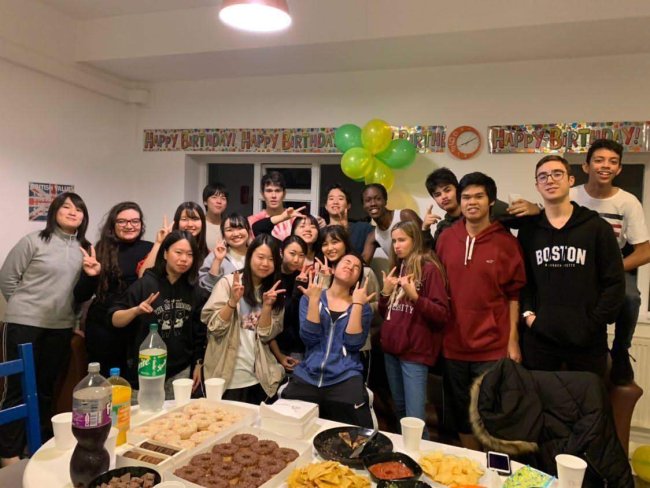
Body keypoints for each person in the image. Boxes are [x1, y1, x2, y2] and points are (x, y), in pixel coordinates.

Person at [436, 172, 526, 450]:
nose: (471, 202)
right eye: (466, 197)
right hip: (452, 344)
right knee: (460, 414)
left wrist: (513, 341)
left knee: (489, 413)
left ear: (491, 201)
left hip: (492, 346)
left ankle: (492, 471)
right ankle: (470, 463)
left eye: (478, 196)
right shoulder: (446, 238)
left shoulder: (507, 244)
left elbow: (514, 295)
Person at [0, 192, 91, 465]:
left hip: (60, 328)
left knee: (46, 389)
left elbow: (78, 293)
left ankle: (36, 446)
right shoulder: (34, 241)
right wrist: (26, 309)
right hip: (23, 325)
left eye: (79, 209)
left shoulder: (84, 248)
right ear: (54, 211)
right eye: (66, 207)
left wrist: (72, 321)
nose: (73, 212)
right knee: (15, 390)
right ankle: (8, 454)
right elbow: (8, 279)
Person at [518, 155, 625, 380]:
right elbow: (523, 281)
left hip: (587, 340)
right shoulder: (529, 231)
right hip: (540, 339)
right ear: (537, 185)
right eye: (543, 176)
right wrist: (529, 316)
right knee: (539, 408)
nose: (550, 180)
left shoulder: (597, 228)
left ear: (570, 180)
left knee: (588, 408)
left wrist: (593, 323)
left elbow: (614, 283)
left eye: (557, 174)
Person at [570, 139, 650, 385]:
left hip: (610, 268)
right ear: (586, 166)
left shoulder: (628, 202)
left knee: (630, 298)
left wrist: (611, 270)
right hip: (572, 267)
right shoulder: (570, 195)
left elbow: (645, 251)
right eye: (599, 160)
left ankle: (620, 350)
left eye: (613, 162)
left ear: (619, 170)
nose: (606, 166)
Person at [281, 253, 376, 428]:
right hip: (309, 374)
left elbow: (354, 343)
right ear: (333, 269)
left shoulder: (362, 307)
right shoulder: (311, 296)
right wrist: (314, 300)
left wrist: (357, 305)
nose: (351, 266)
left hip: (345, 376)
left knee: (356, 432)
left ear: (358, 279)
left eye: (357, 267)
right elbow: (309, 338)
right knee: (286, 424)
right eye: (346, 262)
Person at [110, 231, 207, 398]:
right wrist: (135, 311)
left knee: (175, 419)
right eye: (178, 253)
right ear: (165, 253)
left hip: (180, 370)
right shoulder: (145, 284)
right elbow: (115, 320)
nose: (184, 259)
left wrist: (198, 363)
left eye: (190, 255)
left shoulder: (195, 290)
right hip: (147, 368)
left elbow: (199, 332)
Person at [379, 220, 449, 437]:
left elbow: (441, 314)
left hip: (415, 354)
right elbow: (387, 313)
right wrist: (385, 293)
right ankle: (404, 459)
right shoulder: (398, 267)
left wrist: (416, 297)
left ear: (415, 240)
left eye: (402, 240)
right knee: (399, 410)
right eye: (394, 241)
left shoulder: (429, 269)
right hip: (391, 350)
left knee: (415, 419)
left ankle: (421, 461)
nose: (397, 245)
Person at [201, 234, 286, 404]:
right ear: (250, 256)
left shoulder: (274, 291)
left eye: (271, 259)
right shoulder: (229, 282)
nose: (265, 263)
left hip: (260, 376)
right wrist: (232, 301)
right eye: (260, 257)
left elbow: (266, 335)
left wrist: (268, 306)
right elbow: (214, 327)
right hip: (226, 373)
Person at [74, 201, 153, 380]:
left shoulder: (150, 249)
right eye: (122, 221)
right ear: (113, 224)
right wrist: (91, 275)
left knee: (134, 383)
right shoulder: (100, 249)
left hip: (137, 325)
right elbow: (81, 295)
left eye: (135, 221)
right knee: (105, 383)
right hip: (103, 329)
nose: (129, 226)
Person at [424, 167, 510, 248]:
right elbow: (435, 257)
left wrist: (523, 208)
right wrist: (425, 230)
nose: (444, 197)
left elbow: (518, 218)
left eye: (447, 190)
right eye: (437, 195)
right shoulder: (443, 228)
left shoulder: (488, 210)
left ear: (458, 190)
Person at [138, 202, 209, 277]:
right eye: (184, 219)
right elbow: (143, 276)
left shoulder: (208, 253)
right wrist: (159, 243)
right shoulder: (167, 248)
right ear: (177, 222)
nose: (190, 224)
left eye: (195, 219)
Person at [270, 235, 308, 372]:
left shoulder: (304, 279)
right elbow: (282, 315)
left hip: (298, 345)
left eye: (301, 255)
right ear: (281, 252)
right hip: (273, 342)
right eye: (292, 254)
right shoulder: (272, 276)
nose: (296, 260)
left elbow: (299, 316)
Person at [361, 183, 422, 257]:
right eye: (368, 200)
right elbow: (363, 261)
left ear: (385, 201)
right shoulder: (373, 236)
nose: (373, 203)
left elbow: (426, 242)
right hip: (403, 268)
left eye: (378, 199)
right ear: (363, 206)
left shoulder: (405, 216)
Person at [198, 212, 251, 292]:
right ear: (223, 235)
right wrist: (217, 261)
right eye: (229, 230)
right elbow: (206, 288)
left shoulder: (256, 255)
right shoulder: (214, 256)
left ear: (249, 231)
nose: (236, 234)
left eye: (240, 228)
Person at [322, 184, 375, 263]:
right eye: (331, 198)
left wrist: (345, 230)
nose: (335, 202)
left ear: (348, 205)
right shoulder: (321, 232)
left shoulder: (362, 228)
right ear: (326, 206)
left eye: (340, 198)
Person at [248, 171, 295, 241]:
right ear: (262, 194)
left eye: (278, 191)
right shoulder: (252, 221)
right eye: (269, 191)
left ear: (284, 194)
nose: (273, 196)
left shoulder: (294, 218)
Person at [202, 182, 228, 249]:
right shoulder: (198, 225)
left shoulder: (229, 225)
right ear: (205, 201)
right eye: (214, 197)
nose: (219, 201)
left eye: (223, 198)